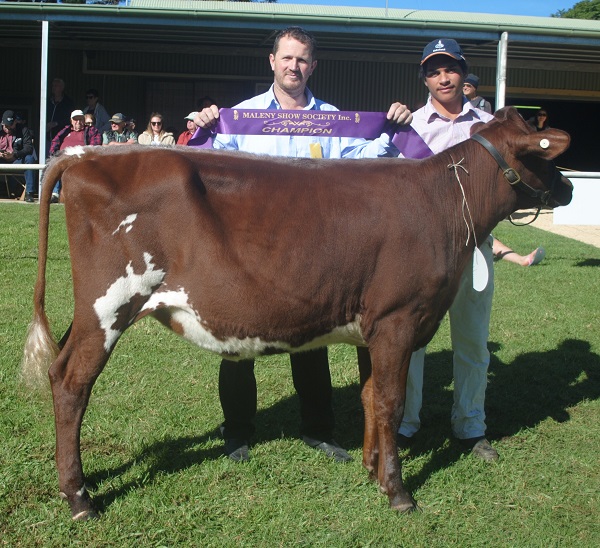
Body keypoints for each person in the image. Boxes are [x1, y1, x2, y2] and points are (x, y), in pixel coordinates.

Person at [194, 26, 412, 463]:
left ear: (313, 66)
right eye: (287, 58)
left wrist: (390, 131)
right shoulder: (240, 117)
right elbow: (209, 164)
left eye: (303, 60)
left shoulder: (334, 120)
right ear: (271, 61)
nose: (294, 66)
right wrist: (202, 128)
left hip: (312, 251)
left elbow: (361, 164)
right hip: (249, 248)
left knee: (312, 339)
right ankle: (237, 432)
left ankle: (318, 429)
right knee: (238, 344)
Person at [390, 38, 499, 461]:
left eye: (449, 68)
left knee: (472, 343)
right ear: (425, 78)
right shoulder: (408, 127)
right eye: (434, 71)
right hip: (419, 258)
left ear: (463, 72)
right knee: (412, 342)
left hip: (473, 251)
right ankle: (407, 423)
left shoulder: (489, 125)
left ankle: (471, 426)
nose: (443, 77)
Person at [49, 109, 102, 202]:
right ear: (71, 121)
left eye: (80, 119)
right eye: (75, 119)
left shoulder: (91, 130)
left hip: (80, 160)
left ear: (84, 120)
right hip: (63, 159)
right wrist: (54, 154)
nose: (78, 122)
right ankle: (55, 194)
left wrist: (82, 154)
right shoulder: (65, 130)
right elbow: (55, 141)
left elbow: (95, 146)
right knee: (55, 164)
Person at [0, 110, 37, 202]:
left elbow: (29, 148)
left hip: (16, 160)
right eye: (6, 126)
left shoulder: (23, 130)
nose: (8, 128)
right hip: (1, 160)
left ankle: (29, 193)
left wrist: (15, 154)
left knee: (29, 158)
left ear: (15, 122)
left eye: (10, 125)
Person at [46, 77, 74, 146]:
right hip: (47, 138)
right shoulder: (47, 101)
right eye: (53, 86)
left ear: (62, 87)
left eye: (56, 86)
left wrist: (56, 123)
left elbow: (70, 120)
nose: (53, 88)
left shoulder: (68, 103)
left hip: (61, 139)